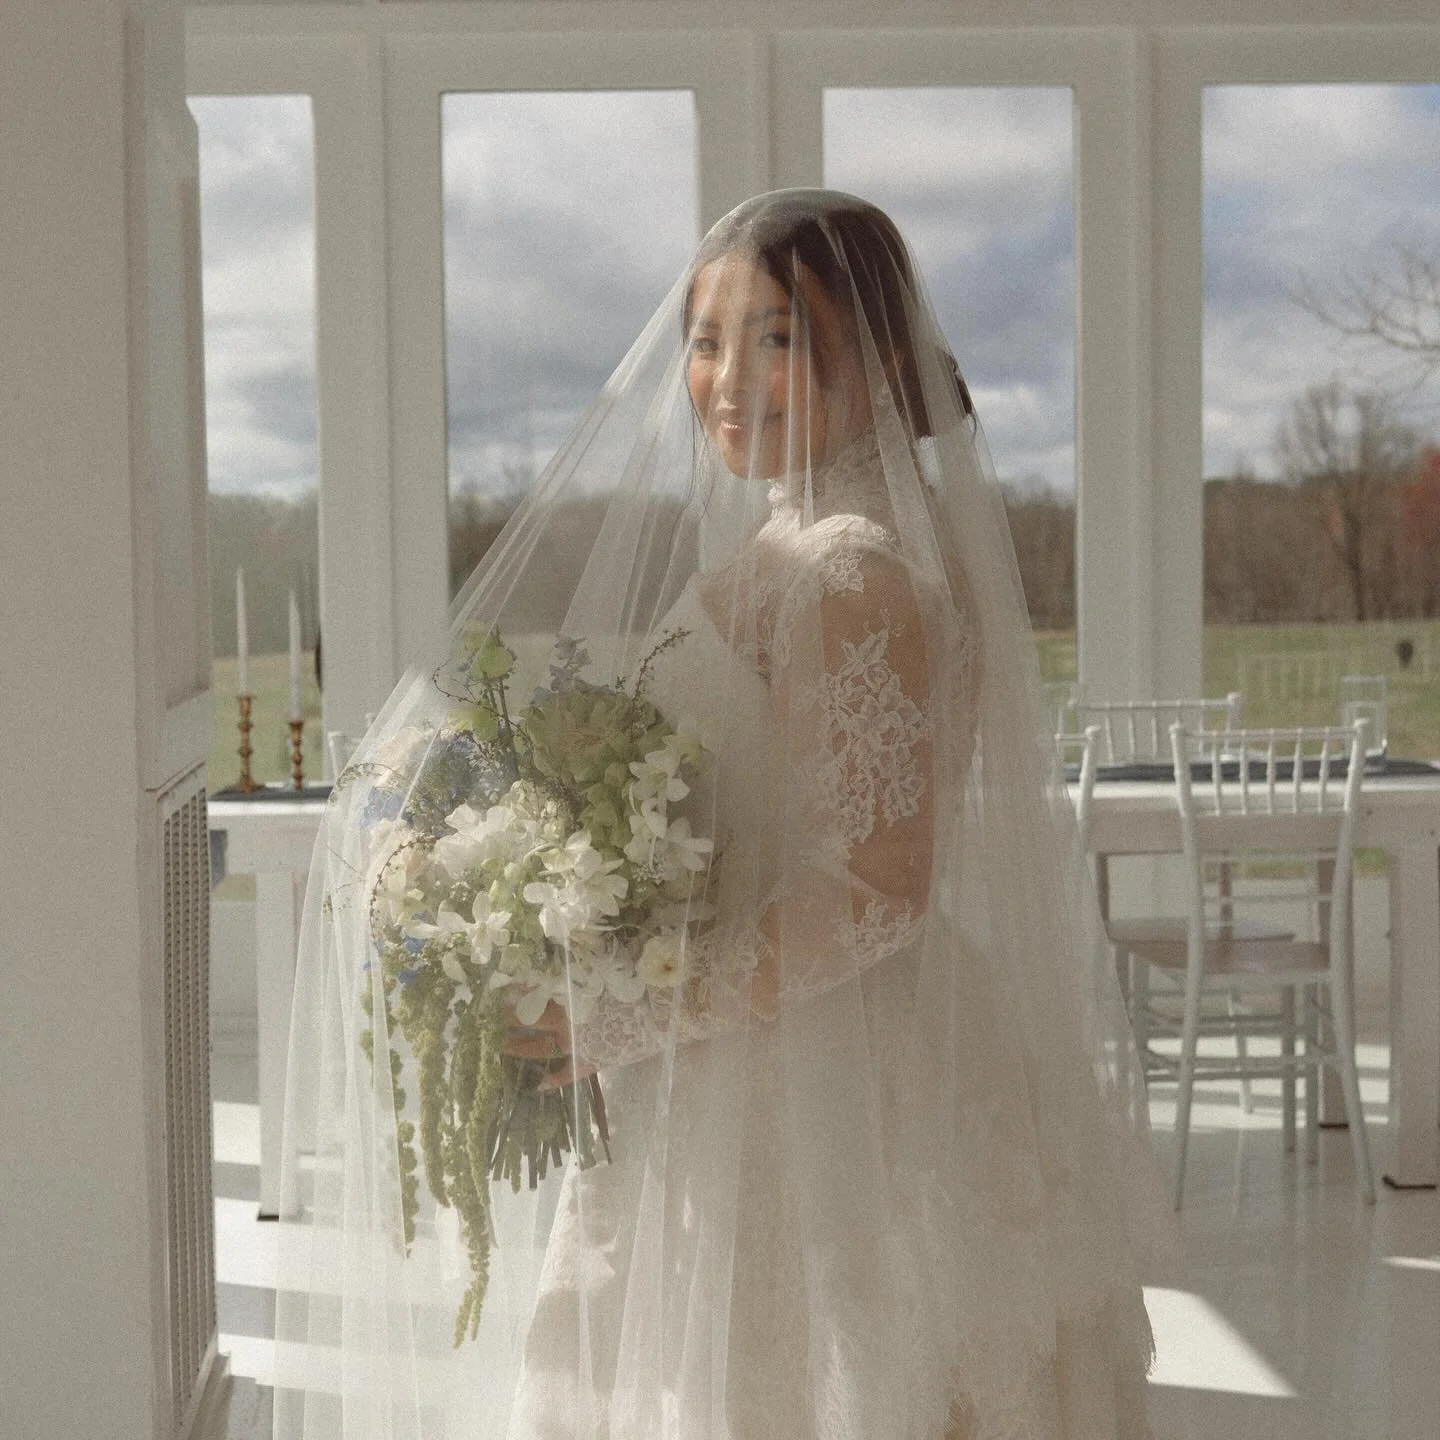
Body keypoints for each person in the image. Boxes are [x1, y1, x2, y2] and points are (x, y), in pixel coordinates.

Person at [275, 189, 1175, 1439]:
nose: (727, 378)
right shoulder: (807, 544)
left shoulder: (848, 570)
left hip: (833, 1083)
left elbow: (875, 889)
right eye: (707, 339)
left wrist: (620, 1011)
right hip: (768, 1047)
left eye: (780, 338)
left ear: (879, 358)